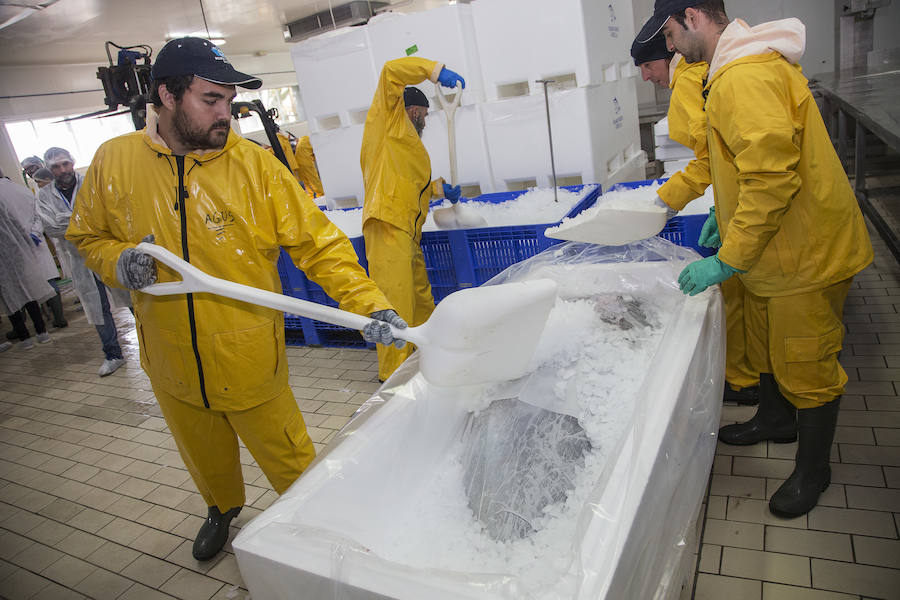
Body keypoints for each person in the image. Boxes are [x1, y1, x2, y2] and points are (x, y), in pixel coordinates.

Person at [66, 37, 406, 561]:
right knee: (204, 455)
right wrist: (119, 261)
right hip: (170, 359)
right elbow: (87, 236)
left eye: (228, 101)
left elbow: (320, 246)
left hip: (248, 356)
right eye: (211, 100)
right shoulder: (114, 163)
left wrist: (369, 306)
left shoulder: (256, 168)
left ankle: (322, 527)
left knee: (293, 460)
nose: (225, 113)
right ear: (167, 96)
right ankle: (221, 507)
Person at [643, 0, 873, 517]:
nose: (672, 47)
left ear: (695, 16)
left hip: (803, 254)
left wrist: (729, 257)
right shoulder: (734, 68)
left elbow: (771, 180)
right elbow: (746, 162)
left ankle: (814, 470)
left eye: (672, 34)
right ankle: (774, 417)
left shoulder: (744, 75)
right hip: (777, 251)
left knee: (806, 362)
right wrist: (726, 215)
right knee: (772, 344)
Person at [632, 25, 759, 405]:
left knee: (734, 298)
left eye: (648, 65)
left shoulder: (688, 82)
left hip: (747, 207)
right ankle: (752, 379)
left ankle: (742, 381)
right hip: (735, 199)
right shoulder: (701, 73)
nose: (646, 75)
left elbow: (710, 160)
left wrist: (663, 202)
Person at [361, 57, 464, 381]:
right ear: (414, 110)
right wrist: (433, 71)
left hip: (407, 233)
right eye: (425, 113)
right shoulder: (389, 123)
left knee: (420, 302)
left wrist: (437, 189)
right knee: (395, 309)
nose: (426, 118)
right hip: (388, 228)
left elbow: (407, 186)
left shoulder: (406, 144)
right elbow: (391, 71)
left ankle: (424, 359)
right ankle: (393, 378)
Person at [37, 146, 130, 376]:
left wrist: (73, 224)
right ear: (49, 170)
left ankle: (154, 345)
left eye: (65, 164)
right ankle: (113, 354)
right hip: (80, 261)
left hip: (107, 253)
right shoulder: (45, 196)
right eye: (56, 167)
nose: (62, 170)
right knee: (97, 309)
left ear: (72, 162)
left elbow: (108, 216)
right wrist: (86, 220)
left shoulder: (93, 183)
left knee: (131, 299)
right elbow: (52, 227)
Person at [0, 172, 67, 337]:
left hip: (12, 248)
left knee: (18, 290)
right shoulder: (22, 190)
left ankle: (22, 331)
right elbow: (38, 215)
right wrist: (35, 233)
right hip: (33, 240)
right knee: (44, 282)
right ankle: (53, 322)